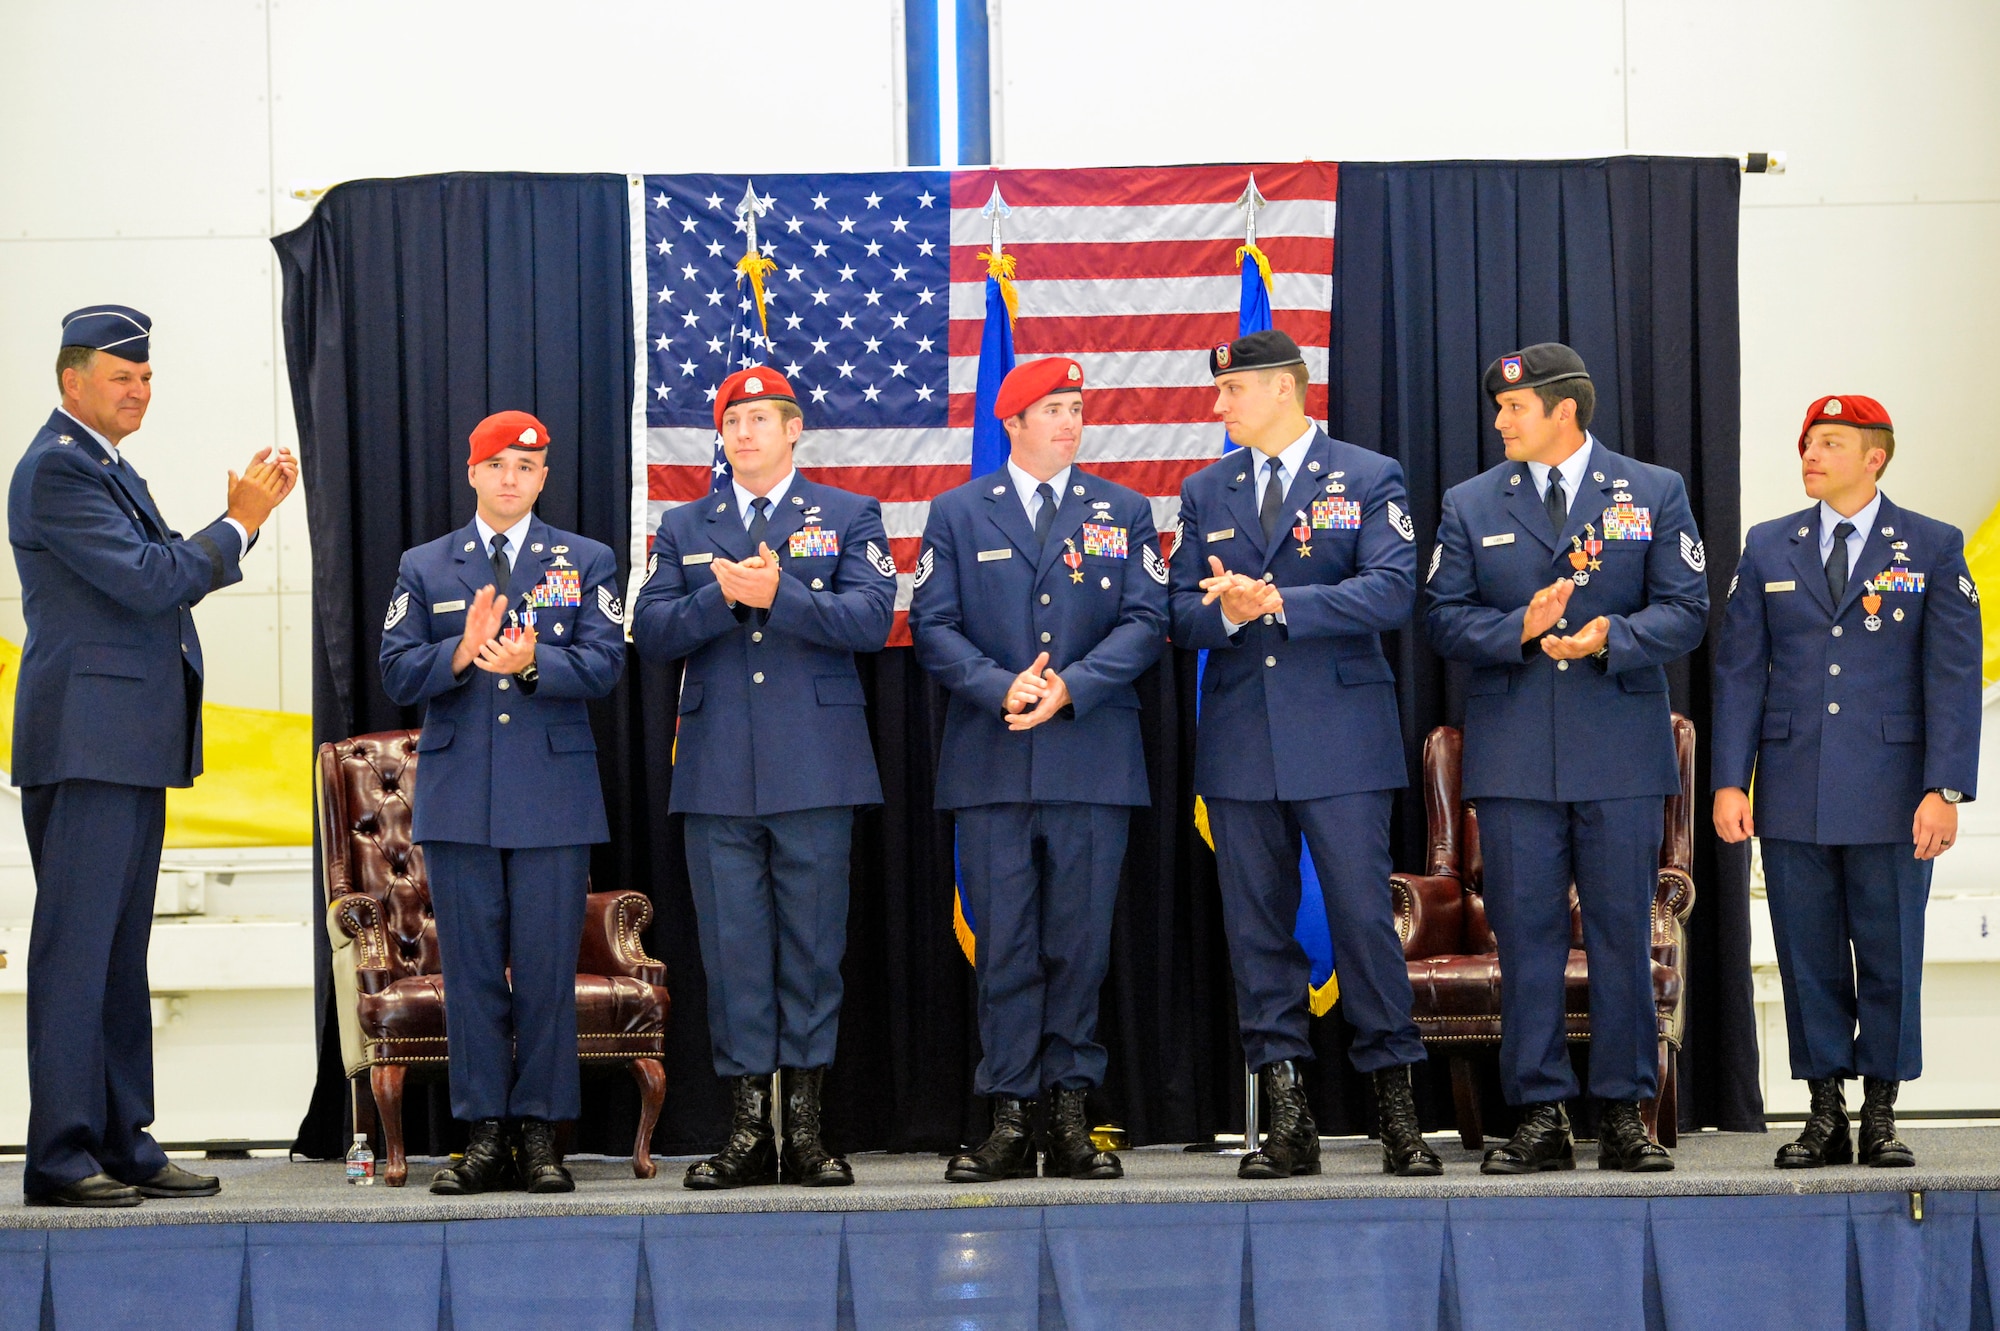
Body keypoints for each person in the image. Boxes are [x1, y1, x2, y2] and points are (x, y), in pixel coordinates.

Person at [12, 305, 294, 1207]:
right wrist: (240, 522)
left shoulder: (102, 466)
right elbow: (151, 581)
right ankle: (61, 1154)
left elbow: (160, 567)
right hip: (88, 744)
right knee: (75, 953)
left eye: (145, 378)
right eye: (120, 376)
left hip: (125, 744)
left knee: (118, 952)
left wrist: (223, 532)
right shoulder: (58, 469)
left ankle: (123, 1137)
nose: (138, 391)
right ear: (72, 382)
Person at [1425, 343, 1708, 1173]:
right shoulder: (1471, 502)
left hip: (1618, 750)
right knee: (1530, 938)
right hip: (1515, 756)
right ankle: (1540, 1112)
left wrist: (1609, 636)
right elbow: (1442, 618)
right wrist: (1514, 627)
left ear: (1565, 409)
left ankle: (1624, 1112)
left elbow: (1686, 608)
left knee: (1623, 933)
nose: (1501, 420)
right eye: (1499, 407)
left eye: (1516, 407)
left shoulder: (1652, 491)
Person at [1168, 329, 1440, 1180]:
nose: (1219, 407)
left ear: (1282, 389)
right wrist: (1229, 614)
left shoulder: (1367, 475)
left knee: (1364, 924)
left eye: (1231, 392)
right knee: (1257, 934)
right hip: (1244, 746)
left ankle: (1399, 1114)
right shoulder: (1204, 489)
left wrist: (1279, 600)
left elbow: (1393, 588)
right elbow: (1177, 611)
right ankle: (1287, 1117)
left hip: (1342, 743)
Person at [631, 367, 897, 1189]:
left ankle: (807, 1132)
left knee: (813, 954)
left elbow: (870, 619)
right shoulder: (684, 526)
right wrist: (721, 595)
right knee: (736, 953)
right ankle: (747, 1131)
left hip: (817, 768)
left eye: (760, 419)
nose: (744, 433)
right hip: (716, 776)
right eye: (732, 420)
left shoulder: (849, 516)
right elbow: (650, 630)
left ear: (793, 431)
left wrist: (782, 593)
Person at [911, 357, 1167, 1182]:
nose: (1070, 421)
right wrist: (999, 684)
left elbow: (1146, 617)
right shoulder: (956, 513)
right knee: (1008, 946)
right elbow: (933, 623)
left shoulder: (1122, 510)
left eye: (1076, 407)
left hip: (1092, 758)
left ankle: (1068, 1110)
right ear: (1011, 423)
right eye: (1052, 408)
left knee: (1079, 946)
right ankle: (1009, 1112)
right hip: (991, 764)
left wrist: (1073, 687)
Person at [1711, 394, 1981, 1169]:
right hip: (1793, 786)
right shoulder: (1769, 547)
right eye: (1806, 442)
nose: (1811, 455)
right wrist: (1732, 781)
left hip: (1897, 792)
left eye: (1831, 442)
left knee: (1891, 950)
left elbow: (1954, 678)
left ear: (1876, 456)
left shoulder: (1930, 544)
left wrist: (1947, 788)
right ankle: (1824, 1108)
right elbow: (1739, 674)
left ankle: (1882, 1111)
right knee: (1808, 953)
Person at [379, 409, 626, 1195]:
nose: (512, 477)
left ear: (544, 475)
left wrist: (529, 663)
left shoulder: (585, 559)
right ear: (473, 472)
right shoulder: (427, 565)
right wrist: (457, 652)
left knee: (549, 973)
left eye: (528, 464)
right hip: (460, 801)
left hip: (553, 798)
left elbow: (604, 663)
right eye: (498, 464)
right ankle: (484, 1134)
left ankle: (542, 1134)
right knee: (476, 975)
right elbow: (396, 669)